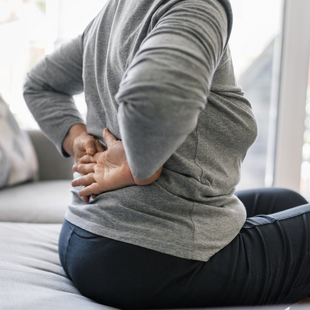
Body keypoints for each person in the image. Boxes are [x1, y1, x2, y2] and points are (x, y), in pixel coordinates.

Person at [23, 0, 310, 308]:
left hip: (83, 238)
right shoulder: (195, 5)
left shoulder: (118, 10)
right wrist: (139, 165)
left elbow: (39, 84)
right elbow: (152, 98)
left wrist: (77, 137)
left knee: (285, 201)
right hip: (152, 255)